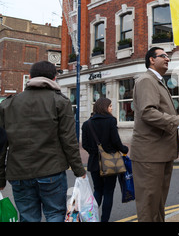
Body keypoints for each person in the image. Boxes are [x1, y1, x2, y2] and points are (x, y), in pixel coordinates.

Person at [0, 61, 86, 222]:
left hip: (19, 173)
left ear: (30, 77)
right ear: (54, 78)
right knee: (54, 214)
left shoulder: (8, 104)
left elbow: (1, 146)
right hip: (51, 170)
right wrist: (79, 170)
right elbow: (69, 140)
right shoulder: (60, 102)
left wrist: (0, 178)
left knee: (27, 217)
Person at [131, 47, 179, 222]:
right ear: (152, 60)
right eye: (163, 56)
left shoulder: (158, 81)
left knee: (158, 204)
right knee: (149, 206)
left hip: (161, 154)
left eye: (168, 56)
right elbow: (148, 112)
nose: (168, 59)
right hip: (149, 155)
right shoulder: (146, 80)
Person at [81, 97, 129, 222]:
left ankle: (91, 218)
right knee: (108, 192)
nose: (112, 108)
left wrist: (95, 152)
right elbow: (116, 141)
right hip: (110, 163)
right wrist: (124, 149)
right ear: (105, 107)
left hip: (94, 163)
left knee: (98, 190)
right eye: (110, 106)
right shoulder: (111, 121)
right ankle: (104, 220)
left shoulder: (87, 124)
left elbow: (85, 144)